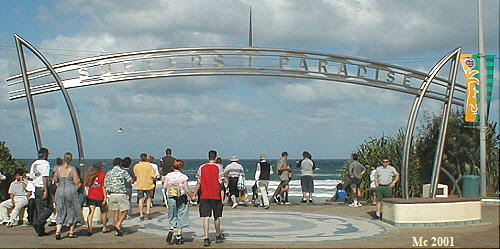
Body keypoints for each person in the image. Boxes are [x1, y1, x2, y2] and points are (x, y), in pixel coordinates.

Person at [194, 150, 225, 247]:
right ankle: (217, 235)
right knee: (216, 216)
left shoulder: (202, 167)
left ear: (208, 157)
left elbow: (199, 182)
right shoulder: (218, 167)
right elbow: (221, 182)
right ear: (215, 158)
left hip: (204, 195)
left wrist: (194, 193)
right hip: (216, 195)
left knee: (206, 217)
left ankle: (206, 238)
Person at [164, 160, 197, 245]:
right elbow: (186, 189)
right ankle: (179, 235)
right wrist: (192, 196)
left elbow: (164, 187)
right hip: (181, 197)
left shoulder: (168, 175)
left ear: (172, 166)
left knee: (172, 214)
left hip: (171, 197)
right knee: (181, 214)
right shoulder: (183, 176)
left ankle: (171, 228)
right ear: (181, 167)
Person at [53, 154, 85, 239]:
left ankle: (58, 231)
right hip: (70, 190)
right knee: (72, 210)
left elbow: (55, 179)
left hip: (60, 190)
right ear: (71, 159)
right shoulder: (72, 169)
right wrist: (77, 187)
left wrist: (59, 185)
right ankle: (71, 231)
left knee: (60, 210)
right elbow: (77, 181)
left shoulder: (58, 168)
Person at [105, 157, 134, 236]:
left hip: (112, 194)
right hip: (121, 193)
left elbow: (105, 183)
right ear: (120, 163)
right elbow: (130, 180)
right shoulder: (123, 172)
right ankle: (118, 224)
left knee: (115, 212)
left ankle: (117, 228)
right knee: (125, 210)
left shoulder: (109, 172)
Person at [30, 147, 53, 236]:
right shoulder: (46, 163)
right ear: (45, 155)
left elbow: (32, 176)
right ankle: (38, 222)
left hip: (36, 188)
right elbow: (45, 176)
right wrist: (46, 190)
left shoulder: (34, 164)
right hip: (43, 187)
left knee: (40, 209)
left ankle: (41, 230)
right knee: (49, 208)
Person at [83, 164, 109, 235]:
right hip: (100, 196)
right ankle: (104, 227)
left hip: (91, 196)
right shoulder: (103, 175)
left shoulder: (90, 175)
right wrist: (105, 197)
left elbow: (86, 186)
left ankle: (89, 228)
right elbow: (104, 187)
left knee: (91, 212)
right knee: (103, 211)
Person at [134, 153, 156, 220]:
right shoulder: (149, 166)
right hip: (148, 184)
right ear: (146, 158)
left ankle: (141, 214)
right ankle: (148, 211)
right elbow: (153, 176)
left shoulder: (136, 166)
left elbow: (135, 175)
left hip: (140, 184)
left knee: (141, 199)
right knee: (149, 198)